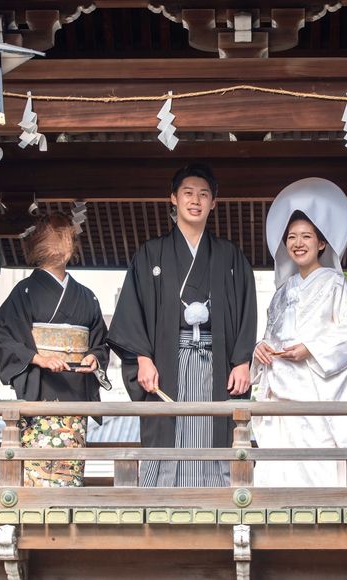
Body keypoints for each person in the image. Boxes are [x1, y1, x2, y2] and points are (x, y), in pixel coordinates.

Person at [107, 163, 257, 487]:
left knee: (216, 430)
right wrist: (143, 358)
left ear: (213, 202)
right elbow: (133, 310)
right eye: (188, 193)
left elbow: (247, 309)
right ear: (173, 198)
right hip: (166, 362)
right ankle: (163, 497)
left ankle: (216, 497)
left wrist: (242, 361)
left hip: (217, 363)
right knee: (167, 431)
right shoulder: (151, 253)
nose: (195, 200)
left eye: (203, 194)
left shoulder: (229, 255)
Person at [251, 178, 347, 487]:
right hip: (280, 400)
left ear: (321, 243)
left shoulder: (334, 284)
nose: (298, 243)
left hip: (316, 397)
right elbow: (271, 337)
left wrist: (311, 349)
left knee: (317, 473)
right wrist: (261, 349)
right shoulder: (281, 292)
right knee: (278, 474)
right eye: (291, 237)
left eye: (306, 236)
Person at [0, 213, 109, 487]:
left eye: (65, 239)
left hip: (75, 394)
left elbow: (100, 340)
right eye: (56, 239)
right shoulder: (24, 292)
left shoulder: (86, 296)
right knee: (38, 474)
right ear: (40, 245)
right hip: (41, 391)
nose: (63, 246)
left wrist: (94, 356)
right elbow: (2, 334)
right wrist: (38, 358)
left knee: (70, 474)